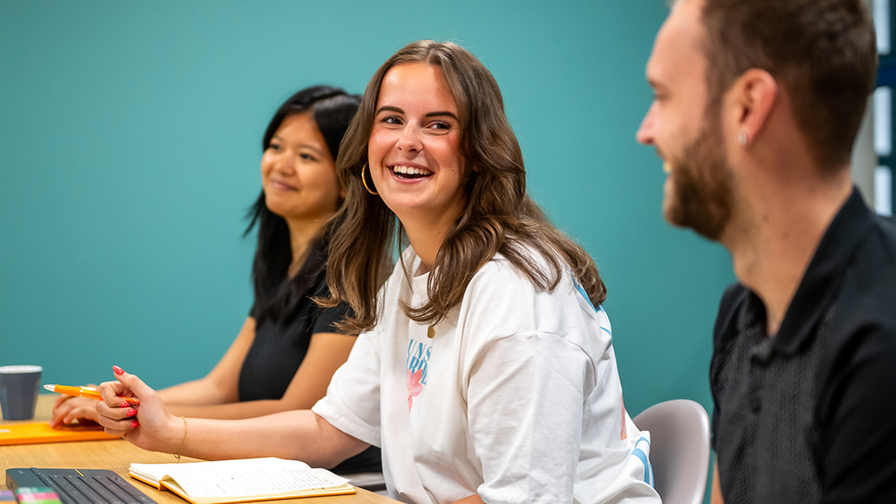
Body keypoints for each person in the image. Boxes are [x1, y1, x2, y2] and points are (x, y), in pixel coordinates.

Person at [94, 40, 660, 504]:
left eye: (438, 125)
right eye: (391, 120)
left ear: (480, 152)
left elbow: (521, 499)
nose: (407, 142)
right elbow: (327, 430)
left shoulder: (518, 293)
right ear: (368, 146)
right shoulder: (414, 274)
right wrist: (172, 433)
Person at [637, 0, 896, 502]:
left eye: (663, 97)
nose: (647, 131)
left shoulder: (878, 349)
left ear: (749, 107)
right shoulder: (743, 314)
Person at [53, 86, 381, 474]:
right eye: (276, 147)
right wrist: (127, 405)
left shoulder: (352, 278)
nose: (281, 165)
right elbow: (218, 387)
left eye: (306, 156)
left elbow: (296, 412)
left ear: (346, 182)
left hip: (343, 483)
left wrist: (149, 416)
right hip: (272, 474)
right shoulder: (286, 269)